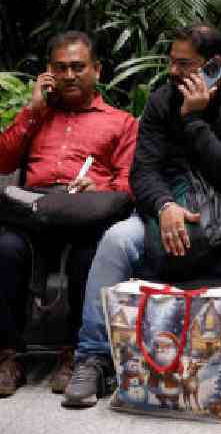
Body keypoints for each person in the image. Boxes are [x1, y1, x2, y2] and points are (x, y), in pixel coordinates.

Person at [63, 23, 221, 407]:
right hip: (168, 217)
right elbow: (142, 170)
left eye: (183, 64)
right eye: (171, 62)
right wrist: (164, 206)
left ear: (214, 66)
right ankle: (92, 357)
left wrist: (194, 119)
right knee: (117, 240)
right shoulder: (162, 101)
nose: (173, 71)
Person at [0, 31, 138, 398]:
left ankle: (74, 354)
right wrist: (32, 112)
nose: (69, 75)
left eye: (78, 67)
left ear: (97, 70)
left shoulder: (121, 122)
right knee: (5, 248)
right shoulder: (37, 115)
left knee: (90, 256)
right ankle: (8, 355)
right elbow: (4, 161)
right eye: (61, 68)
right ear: (49, 72)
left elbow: (128, 185)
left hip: (86, 215)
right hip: (34, 211)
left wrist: (100, 190)